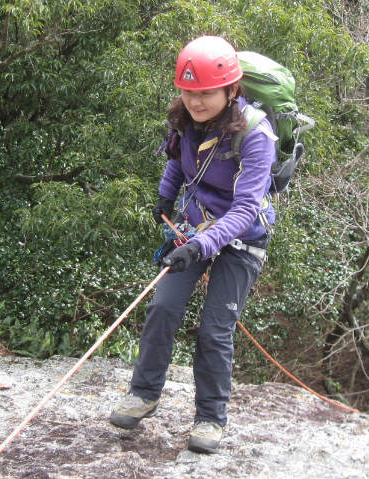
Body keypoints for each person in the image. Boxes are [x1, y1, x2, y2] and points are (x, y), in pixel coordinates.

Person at [109, 35, 277, 454]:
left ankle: (210, 418)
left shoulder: (256, 135)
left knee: (215, 328)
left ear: (230, 89)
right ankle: (144, 393)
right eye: (187, 92)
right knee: (162, 306)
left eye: (205, 93)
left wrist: (200, 246)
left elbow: (243, 211)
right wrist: (166, 197)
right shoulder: (183, 119)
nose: (195, 101)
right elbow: (176, 161)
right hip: (194, 225)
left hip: (243, 237)